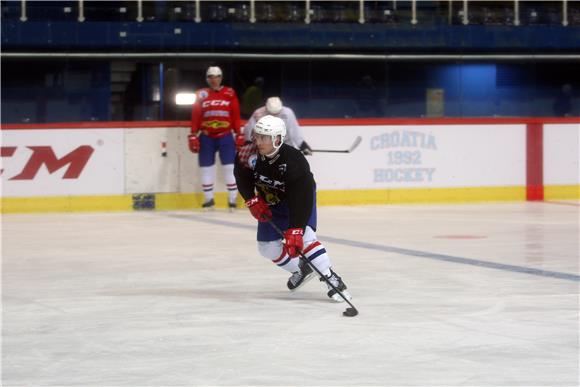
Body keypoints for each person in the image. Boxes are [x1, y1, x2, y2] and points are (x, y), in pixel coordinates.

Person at [234, 115, 352, 302]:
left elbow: (302, 198)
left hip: (296, 202)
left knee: (305, 239)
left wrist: (296, 228)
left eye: (265, 137)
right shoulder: (247, 153)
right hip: (271, 201)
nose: (259, 141)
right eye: (258, 136)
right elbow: (241, 175)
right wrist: (251, 199)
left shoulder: (294, 161)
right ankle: (301, 268)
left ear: (278, 139)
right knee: (267, 248)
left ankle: (331, 279)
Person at [189, 66, 245, 210]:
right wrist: (193, 134)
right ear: (207, 79)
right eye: (211, 77)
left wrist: (239, 133)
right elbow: (196, 115)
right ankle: (209, 200)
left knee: (229, 168)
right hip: (206, 137)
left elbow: (235, 115)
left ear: (221, 77)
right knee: (206, 168)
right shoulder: (201, 94)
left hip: (225, 136)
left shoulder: (230, 93)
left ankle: (232, 199)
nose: (214, 80)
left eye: (217, 76)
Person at [243, 96, 313, 155]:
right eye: (272, 113)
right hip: (267, 146)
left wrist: (301, 144)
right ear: (266, 108)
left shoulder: (288, 113)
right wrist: (248, 142)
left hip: (285, 144)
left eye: (277, 113)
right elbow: (250, 128)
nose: (275, 115)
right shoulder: (258, 114)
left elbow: (294, 129)